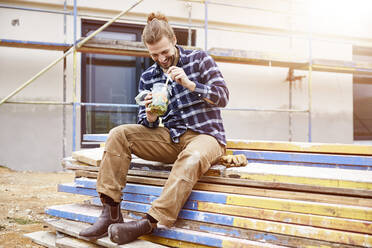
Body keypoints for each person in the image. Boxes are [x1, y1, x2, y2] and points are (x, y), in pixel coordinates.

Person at [79, 12, 229, 245]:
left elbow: (223, 97)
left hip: (206, 136)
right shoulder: (149, 75)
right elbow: (145, 123)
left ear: (174, 41)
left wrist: (191, 84)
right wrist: (149, 116)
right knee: (119, 134)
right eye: (154, 54)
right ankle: (110, 212)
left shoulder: (200, 59)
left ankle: (150, 221)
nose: (161, 59)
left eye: (165, 52)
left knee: (192, 156)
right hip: (171, 137)